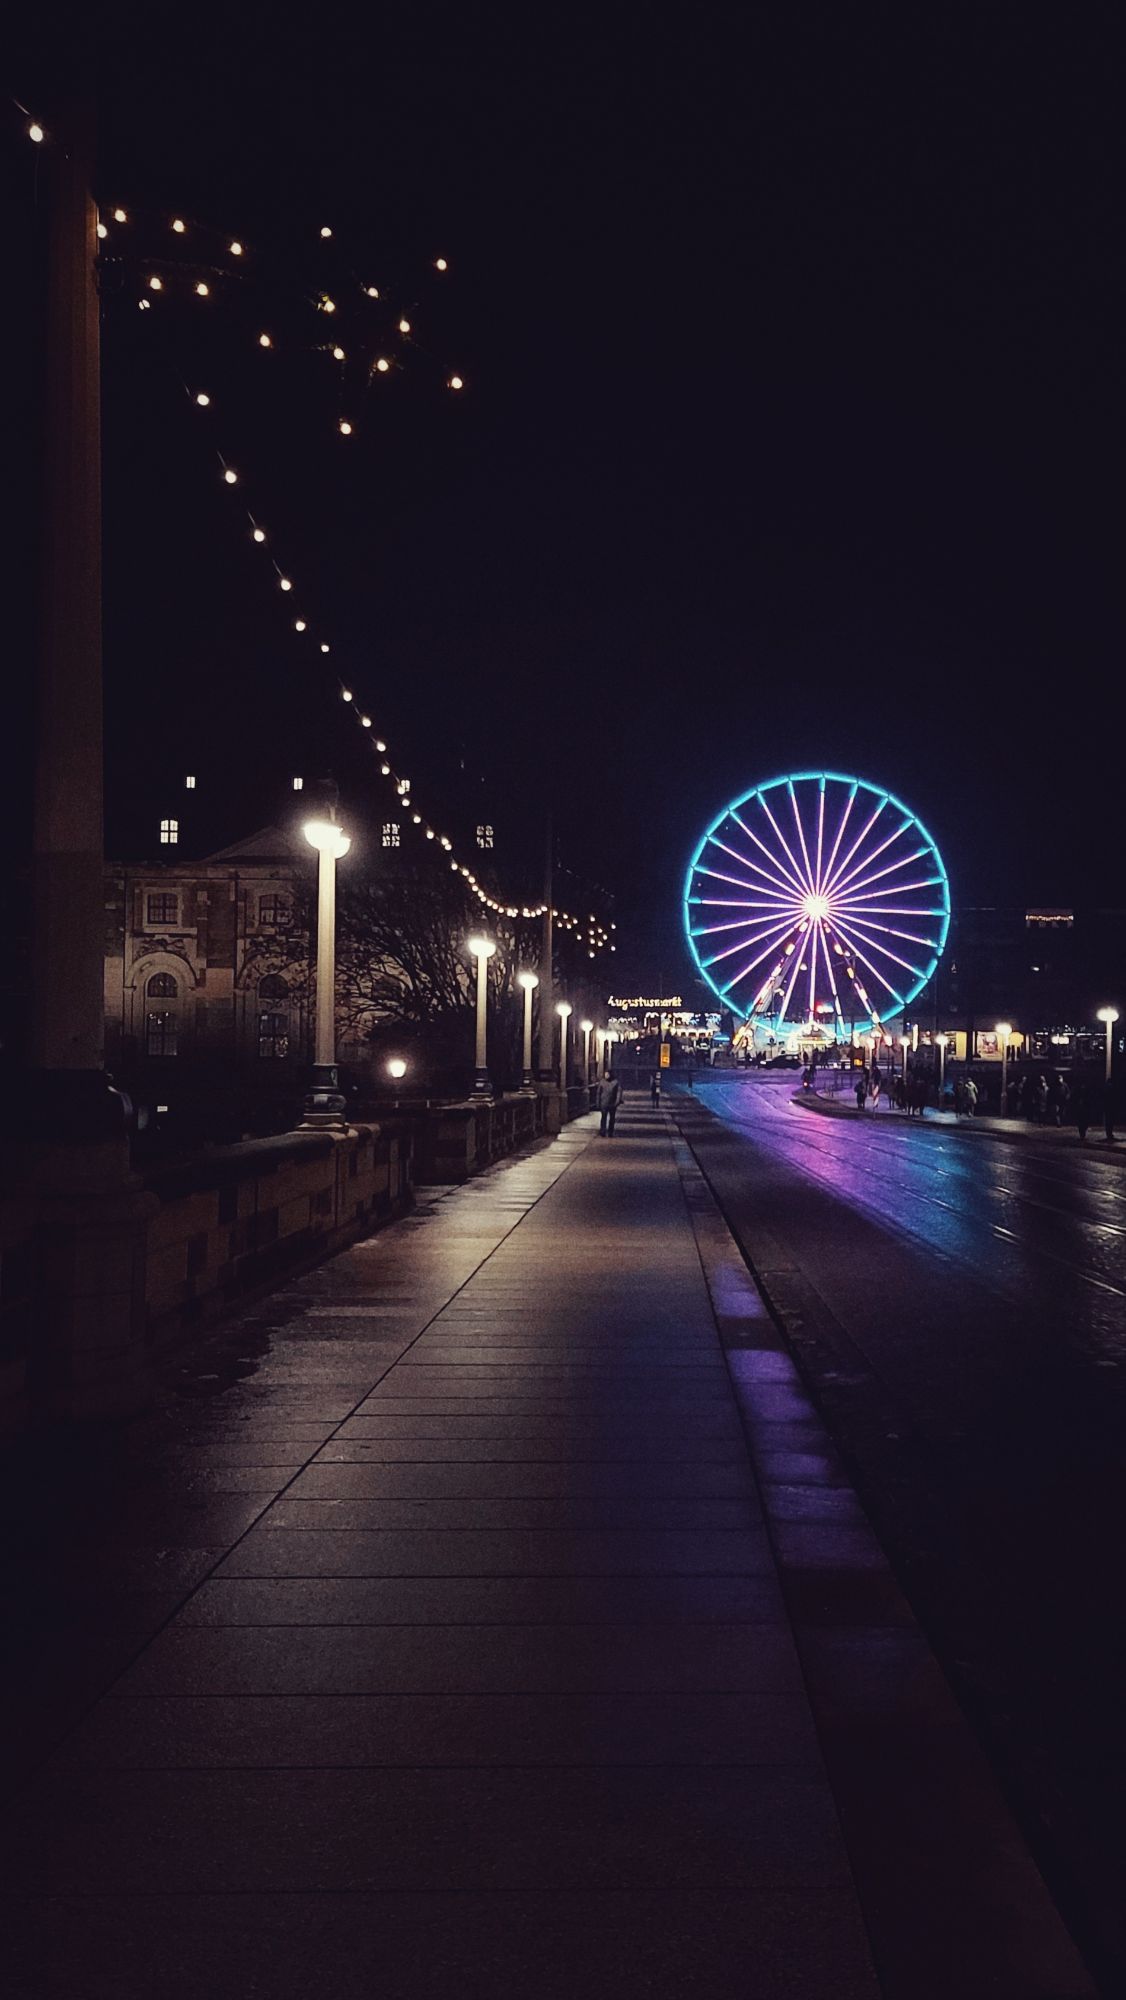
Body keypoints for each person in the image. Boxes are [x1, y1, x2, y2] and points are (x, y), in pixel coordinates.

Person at [599, 1073, 623, 1137]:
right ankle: (603, 1131)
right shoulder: (602, 1082)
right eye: (605, 1074)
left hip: (612, 1103)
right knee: (603, 1117)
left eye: (608, 1074)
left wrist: (617, 1102)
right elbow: (598, 1093)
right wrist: (598, 1102)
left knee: (612, 1118)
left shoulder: (616, 1083)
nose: (606, 1076)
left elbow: (619, 1092)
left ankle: (610, 1131)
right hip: (603, 1103)